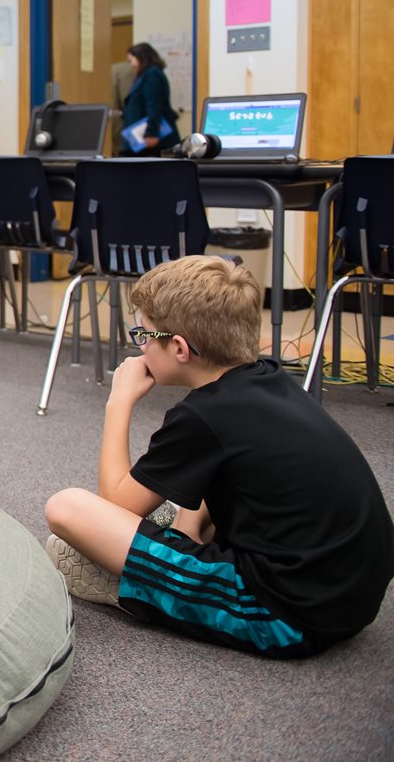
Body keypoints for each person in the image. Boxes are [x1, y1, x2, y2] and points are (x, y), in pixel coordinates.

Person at [44, 255, 394, 658]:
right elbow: (225, 475)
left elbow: (113, 504)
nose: (138, 344)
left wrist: (119, 400)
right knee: (192, 492)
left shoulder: (202, 416)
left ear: (178, 347)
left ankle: (145, 588)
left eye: (143, 333)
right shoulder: (266, 378)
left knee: (67, 509)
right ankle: (174, 544)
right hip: (348, 592)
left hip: (288, 615)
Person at [121, 41, 180, 155]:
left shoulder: (152, 74)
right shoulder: (146, 74)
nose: (132, 65)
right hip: (143, 137)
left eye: (132, 60)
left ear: (141, 57)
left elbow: (154, 105)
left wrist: (152, 133)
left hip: (152, 140)